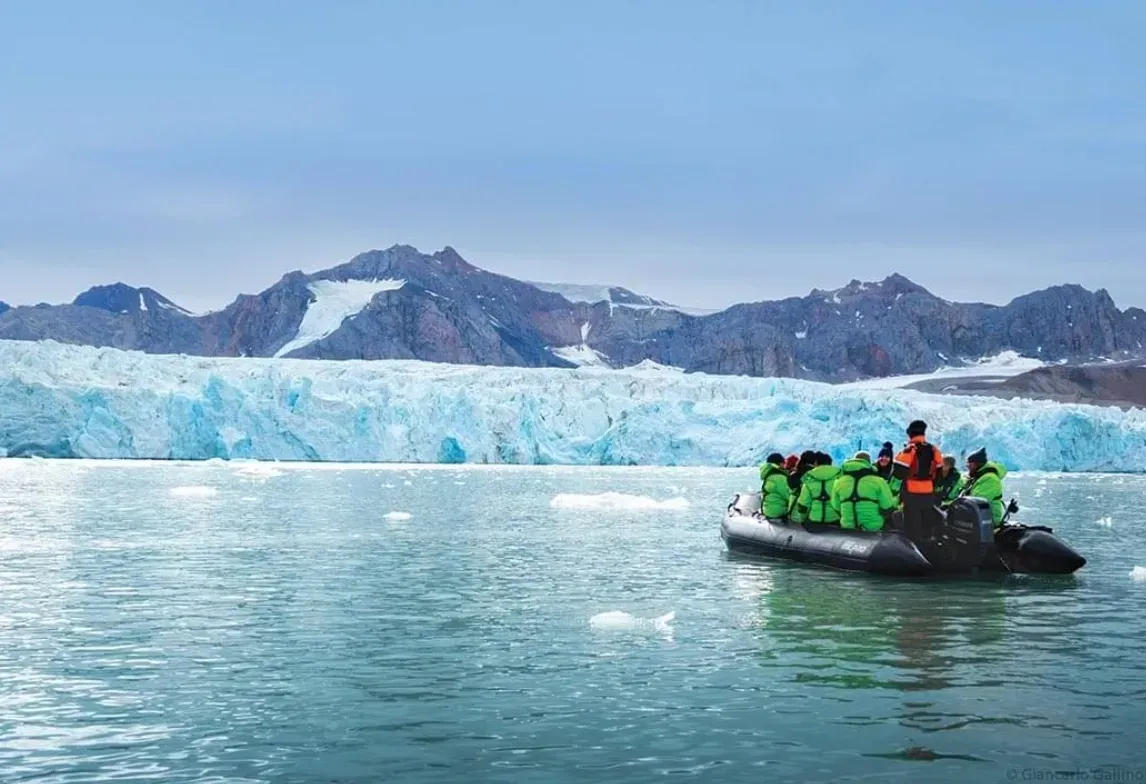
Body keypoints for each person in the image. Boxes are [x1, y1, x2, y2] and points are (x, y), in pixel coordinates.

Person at [893, 420, 944, 539]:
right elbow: (940, 472)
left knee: (913, 528)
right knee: (927, 524)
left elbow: (898, 473)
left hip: (912, 494)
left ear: (910, 434)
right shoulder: (933, 450)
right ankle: (929, 550)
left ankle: (915, 551)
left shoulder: (910, 450)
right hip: (928, 494)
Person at [831, 451, 898, 531]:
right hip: (873, 528)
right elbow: (887, 507)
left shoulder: (838, 482)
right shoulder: (879, 481)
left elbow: (836, 507)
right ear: (869, 464)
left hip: (847, 527)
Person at [961, 447, 1008, 527]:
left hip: (987, 522)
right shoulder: (977, 476)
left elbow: (976, 502)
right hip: (978, 518)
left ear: (978, 464)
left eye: (970, 464)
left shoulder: (990, 479)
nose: (968, 466)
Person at [796, 452, 841, 525]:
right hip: (835, 520)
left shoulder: (808, 480)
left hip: (815, 520)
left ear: (816, 463)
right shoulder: (840, 478)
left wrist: (802, 520)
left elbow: (803, 504)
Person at [758, 452, 792, 519]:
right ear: (780, 463)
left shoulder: (769, 476)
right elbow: (789, 495)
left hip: (767, 509)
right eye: (783, 463)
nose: (785, 465)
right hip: (778, 511)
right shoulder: (779, 478)